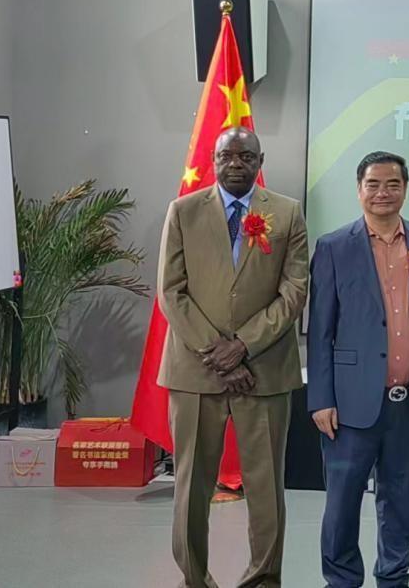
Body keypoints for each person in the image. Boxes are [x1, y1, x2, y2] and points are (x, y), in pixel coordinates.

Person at [158, 126, 310, 588]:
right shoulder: (183, 211)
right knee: (192, 485)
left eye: (246, 156)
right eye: (227, 156)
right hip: (195, 371)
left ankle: (263, 578)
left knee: (266, 487)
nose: (236, 163)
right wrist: (218, 353)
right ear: (214, 161)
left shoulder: (287, 213)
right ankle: (194, 579)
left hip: (265, 370)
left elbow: (294, 291)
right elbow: (171, 291)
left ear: (260, 162)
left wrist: (243, 345)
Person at [307, 151, 409, 588]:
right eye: (373, 184)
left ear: (405, 189)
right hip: (350, 401)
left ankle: (394, 577)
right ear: (359, 190)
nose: (383, 193)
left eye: (393, 184)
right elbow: (320, 330)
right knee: (342, 502)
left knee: (399, 499)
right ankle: (341, 579)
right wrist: (320, 398)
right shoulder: (334, 246)